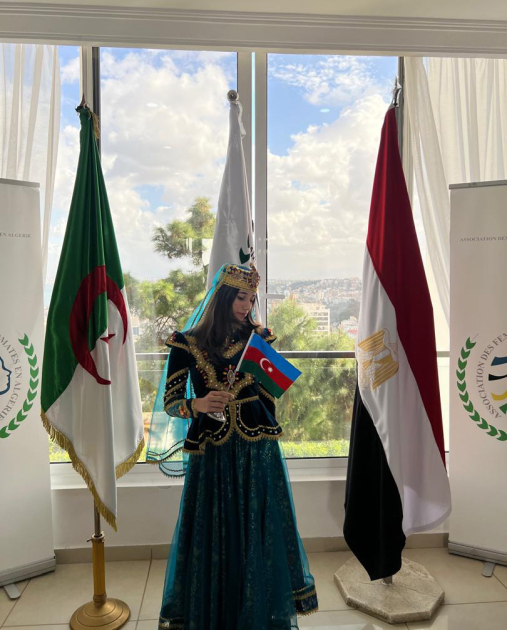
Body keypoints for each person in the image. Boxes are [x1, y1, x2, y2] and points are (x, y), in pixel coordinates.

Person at [149, 262, 318, 630]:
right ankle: (218, 610)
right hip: (213, 453)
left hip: (256, 451)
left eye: (251, 298)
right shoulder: (186, 343)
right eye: (241, 297)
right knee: (215, 530)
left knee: (258, 527)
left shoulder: (260, 339)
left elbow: (270, 393)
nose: (247, 305)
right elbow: (170, 402)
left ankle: (256, 610)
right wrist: (196, 404)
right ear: (223, 295)